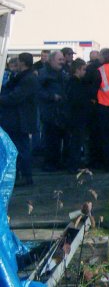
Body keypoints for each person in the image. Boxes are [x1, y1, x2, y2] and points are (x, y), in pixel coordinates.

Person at [0, 53, 39, 185]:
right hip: (18, 119)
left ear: (22, 62)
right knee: (19, 147)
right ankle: (20, 175)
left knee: (21, 148)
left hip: (20, 119)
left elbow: (15, 97)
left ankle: (25, 176)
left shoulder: (27, 79)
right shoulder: (23, 77)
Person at [38, 49, 73, 171]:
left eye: (63, 59)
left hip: (62, 111)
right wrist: (52, 96)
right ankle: (50, 163)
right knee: (51, 140)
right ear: (52, 60)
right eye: (60, 59)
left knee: (61, 138)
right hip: (50, 111)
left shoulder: (63, 72)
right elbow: (38, 91)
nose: (62, 61)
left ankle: (59, 162)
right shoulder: (43, 73)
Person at [66, 59, 93, 168]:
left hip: (76, 116)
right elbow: (77, 100)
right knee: (76, 141)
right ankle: (74, 163)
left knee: (76, 140)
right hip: (77, 116)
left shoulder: (73, 82)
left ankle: (74, 162)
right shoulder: (75, 83)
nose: (85, 72)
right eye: (84, 69)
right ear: (77, 70)